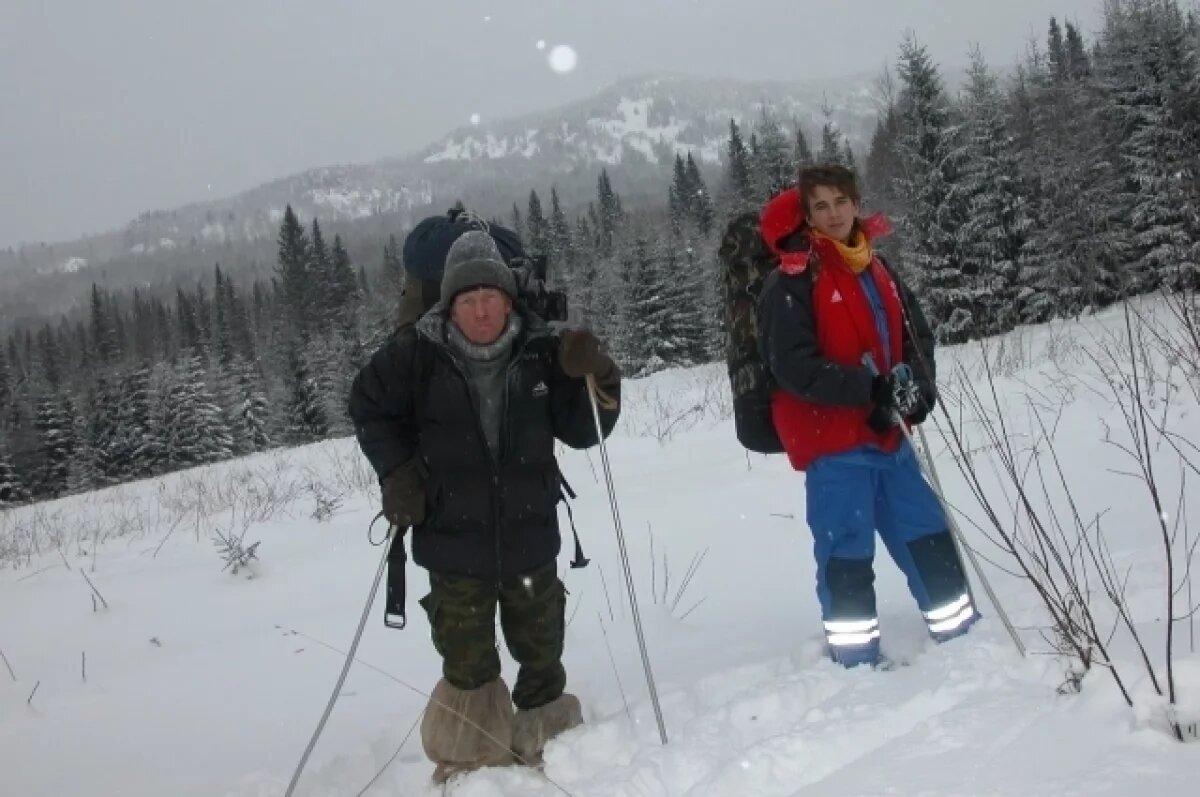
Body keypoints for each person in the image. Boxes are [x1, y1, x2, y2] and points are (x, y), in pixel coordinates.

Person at [348, 230, 621, 781]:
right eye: (467, 300)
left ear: (508, 300)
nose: (480, 311)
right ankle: (471, 756)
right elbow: (368, 405)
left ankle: (549, 741)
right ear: (449, 304)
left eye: (490, 298)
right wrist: (398, 473)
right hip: (453, 539)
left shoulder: (542, 349)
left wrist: (599, 375)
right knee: (466, 657)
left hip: (530, 533)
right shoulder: (417, 356)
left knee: (541, 648)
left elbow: (583, 430)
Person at [755, 164, 978, 668]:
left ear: (857, 204)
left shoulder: (876, 266)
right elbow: (794, 367)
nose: (834, 215)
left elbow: (916, 334)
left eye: (841, 202)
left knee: (925, 531)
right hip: (835, 446)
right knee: (847, 552)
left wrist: (918, 388)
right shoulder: (792, 281)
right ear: (807, 217)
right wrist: (869, 388)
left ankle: (963, 636)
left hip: (888, 436)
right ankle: (855, 664)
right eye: (821, 207)